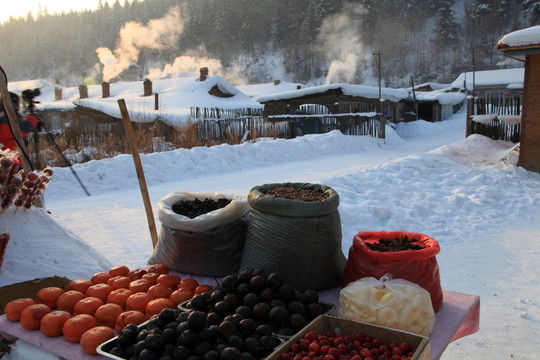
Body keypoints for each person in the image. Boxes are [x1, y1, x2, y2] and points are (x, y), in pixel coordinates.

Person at [0, 91, 38, 160]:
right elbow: (24, 129)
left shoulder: (4, 116)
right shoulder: (6, 118)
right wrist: (32, 118)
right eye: (13, 104)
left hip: (9, 158)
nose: (16, 106)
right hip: (11, 159)